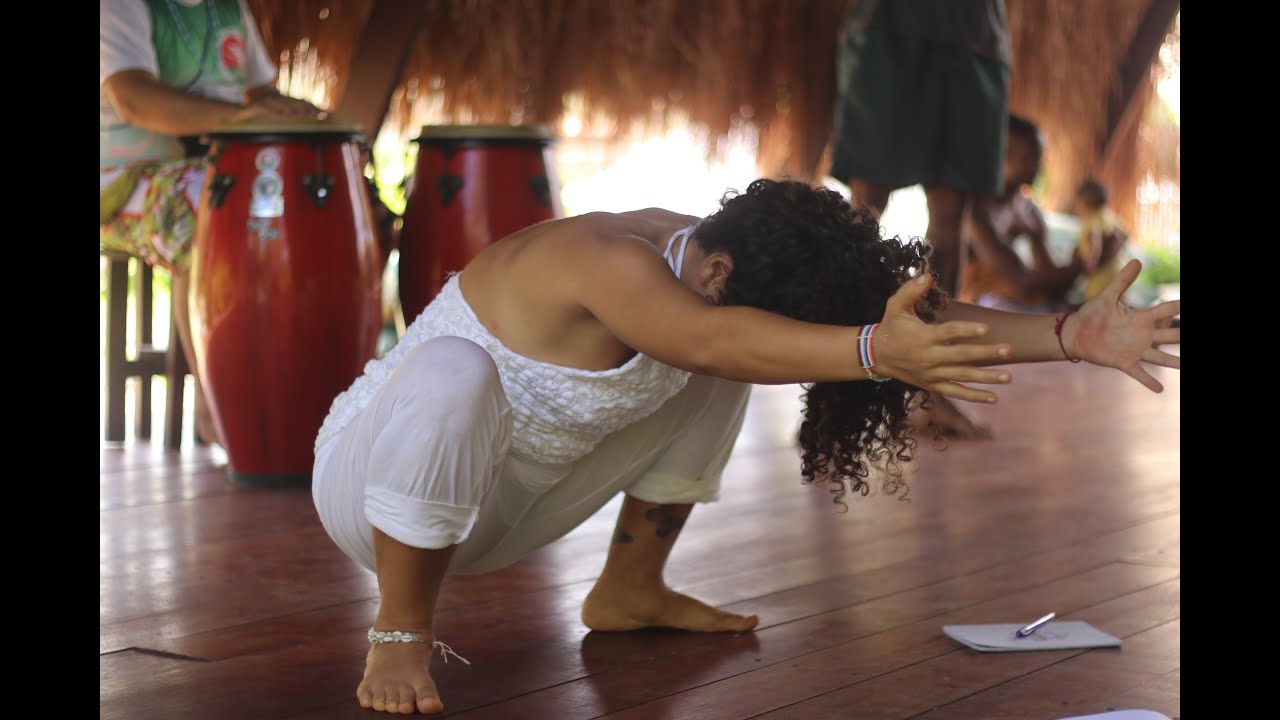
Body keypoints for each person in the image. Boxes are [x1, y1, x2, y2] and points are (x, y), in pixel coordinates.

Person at [308, 179, 1181, 714]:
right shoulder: (611, 256)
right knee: (455, 371)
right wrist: (874, 356)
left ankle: (629, 589)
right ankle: (400, 631)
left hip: (508, 507)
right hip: (377, 496)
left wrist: (1070, 334)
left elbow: (910, 314)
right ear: (716, 269)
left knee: (736, 352)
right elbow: (720, 341)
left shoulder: (729, 265)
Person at [100, 0, 325, 442]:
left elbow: (261, 96)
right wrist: (239, 120)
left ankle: (289, 392)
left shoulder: (230, 8)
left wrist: (297, 114)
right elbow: (132, 98)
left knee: (263, 200)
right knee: (210, 205)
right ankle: (217, 403)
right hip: (121, 180)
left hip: (209, 174)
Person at [829, 0, 1012, 440]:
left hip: (975, 34)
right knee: (866, 206)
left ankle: (931, 386)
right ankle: (835, 386)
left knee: (952, 213)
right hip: (889, 25)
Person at [961, 115, 1085, 313]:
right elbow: (1022, 280)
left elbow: (1051, 280)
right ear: (1000, 158)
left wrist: (1040, 239)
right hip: (978, 309)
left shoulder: (1027, 208)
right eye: (1027, 158)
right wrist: (1082, 265)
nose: (1036, 167)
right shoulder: (975, 213)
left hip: (1018, 304)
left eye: (1038, 158)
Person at [1070, 178, 1130, 304]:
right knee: (1118, 306)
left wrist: (1093, 259)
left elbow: (1094, 237)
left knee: (1094, 305)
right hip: (1119, 272)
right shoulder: (1109, 216)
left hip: (1101, 279)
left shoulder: (1090, 219)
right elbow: (1124, 234)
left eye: (1077, 203)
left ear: (1085, 203)